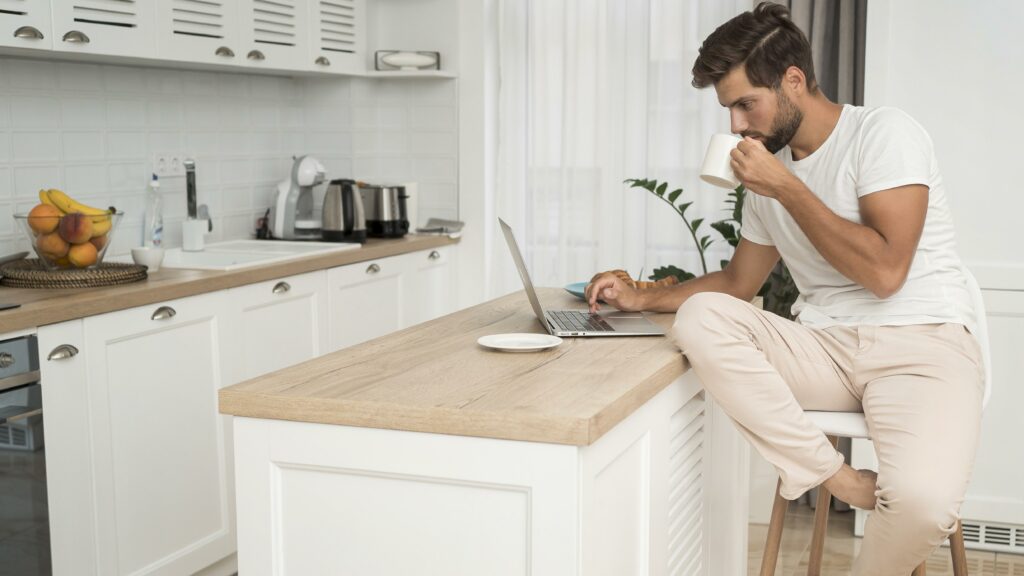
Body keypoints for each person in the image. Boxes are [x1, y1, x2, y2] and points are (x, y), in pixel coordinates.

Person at [585, 3, 983, 574]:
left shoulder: (883, 134)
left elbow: (886, 273)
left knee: (921, 504)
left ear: (793, 81)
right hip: (823, 348)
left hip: (921, 344)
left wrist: (787, 190)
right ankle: (833, 476)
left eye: (747, 104)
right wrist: (640, 296)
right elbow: (737, 283)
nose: (737, 127)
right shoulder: (769, 176)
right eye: (729, 110)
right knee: (703, 317)